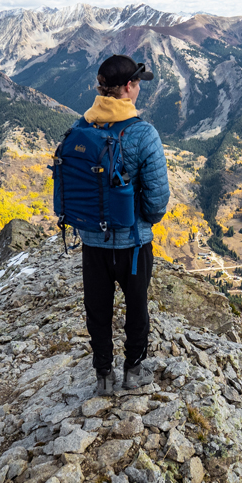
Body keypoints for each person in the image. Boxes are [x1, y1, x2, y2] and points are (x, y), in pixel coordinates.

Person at [75, 54, 169, 395]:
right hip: (133, 243)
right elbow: (157, 200)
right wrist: (143, 219)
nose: (140, 88)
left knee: (97, 310)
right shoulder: (143, 134)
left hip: (92, 241)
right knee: (136, 306)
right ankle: (133, 371)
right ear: (129, 87)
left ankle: (103, 375)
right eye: (139, 82)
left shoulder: (81, 127)